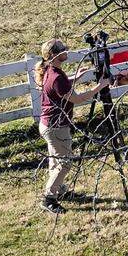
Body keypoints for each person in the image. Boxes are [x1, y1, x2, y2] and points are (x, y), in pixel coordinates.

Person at [34, 39, 110, 214]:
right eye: (63, 49)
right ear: (54, 55)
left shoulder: (50, 71)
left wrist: (75, 78)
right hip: (56, 126)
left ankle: (59, 190)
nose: (66, 50)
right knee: (65, 163)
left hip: (48, 124)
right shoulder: (57, 77)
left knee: (56, 160)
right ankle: (48, 198)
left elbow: (59, 86)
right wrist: (100, 86)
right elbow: (77, 99)